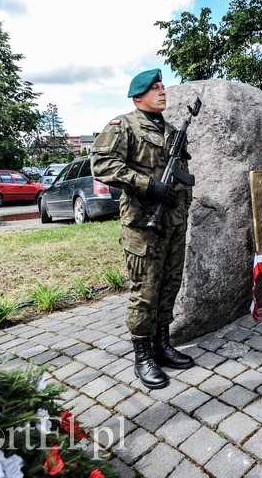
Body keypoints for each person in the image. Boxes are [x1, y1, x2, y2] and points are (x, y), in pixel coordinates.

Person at [91, 68, 195, 390]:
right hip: (143, 224)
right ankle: (143, 356)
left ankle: (162, 345)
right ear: (138, 97)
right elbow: (101, 164)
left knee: (169, 285)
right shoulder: (124, 126)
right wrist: (148, 185)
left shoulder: (172, 130)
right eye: (155, 88)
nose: (163, 91)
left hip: (173, 222)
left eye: (163, 86)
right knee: (145, 292)